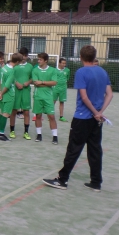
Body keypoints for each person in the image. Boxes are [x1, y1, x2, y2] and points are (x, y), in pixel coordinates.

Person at [43, 45, 113, 191]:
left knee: (73, 149)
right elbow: (110, 94)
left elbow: (84, 96)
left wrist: (95, 112)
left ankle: (62, 180)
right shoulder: (102, 71)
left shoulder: (81, 72)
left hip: (82, 118)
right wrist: (100, 112)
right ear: (94, 57)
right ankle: (96, 182)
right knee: (95, 149)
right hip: (96, 120)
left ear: (81, 57)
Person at [32, 53, 59, 144]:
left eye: (40, 59)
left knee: (51, 116)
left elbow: (54, 82)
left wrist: (42, 82)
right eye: (38, 59)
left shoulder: (53, 70)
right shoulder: (35, 70)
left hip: (48, 97)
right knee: (38, 116)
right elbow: (36, 83)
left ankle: (55, 136)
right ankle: (39, 135)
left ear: (45, 60)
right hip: (38, 96)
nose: (38, 61)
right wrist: (46, 83)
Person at [0, 53, 21, 141]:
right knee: (6, 114)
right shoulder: (12, 71)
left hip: (2, 94)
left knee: (2, 113)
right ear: (17, 61)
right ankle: (1, 134)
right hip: (9, 95)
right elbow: (7, 85)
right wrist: (2, 93)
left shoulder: (4, 68)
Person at [10, 48, 33, 139]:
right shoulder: (14, 66)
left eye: (25, 55)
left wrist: (28, 82)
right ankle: (12, 131)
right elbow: (10, 76)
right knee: (14, 111)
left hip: (26, 91)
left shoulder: (30, 66)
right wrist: (16, 83)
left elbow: (32, 77)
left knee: (26, 112)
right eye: (22, 55)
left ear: (27, 56)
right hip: (15, 90)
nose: (23, 57)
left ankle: (26, 132)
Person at [54, 58, 70, 122]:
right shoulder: (54, 70)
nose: (64, 64)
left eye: (65, 63)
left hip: (63, 88)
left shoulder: (67, 70)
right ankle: (50, 115)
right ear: (59, 63)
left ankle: (61, 116)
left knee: (62, 102)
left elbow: (67, 78)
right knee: (53, 101)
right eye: (63, 63)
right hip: (55, 88)